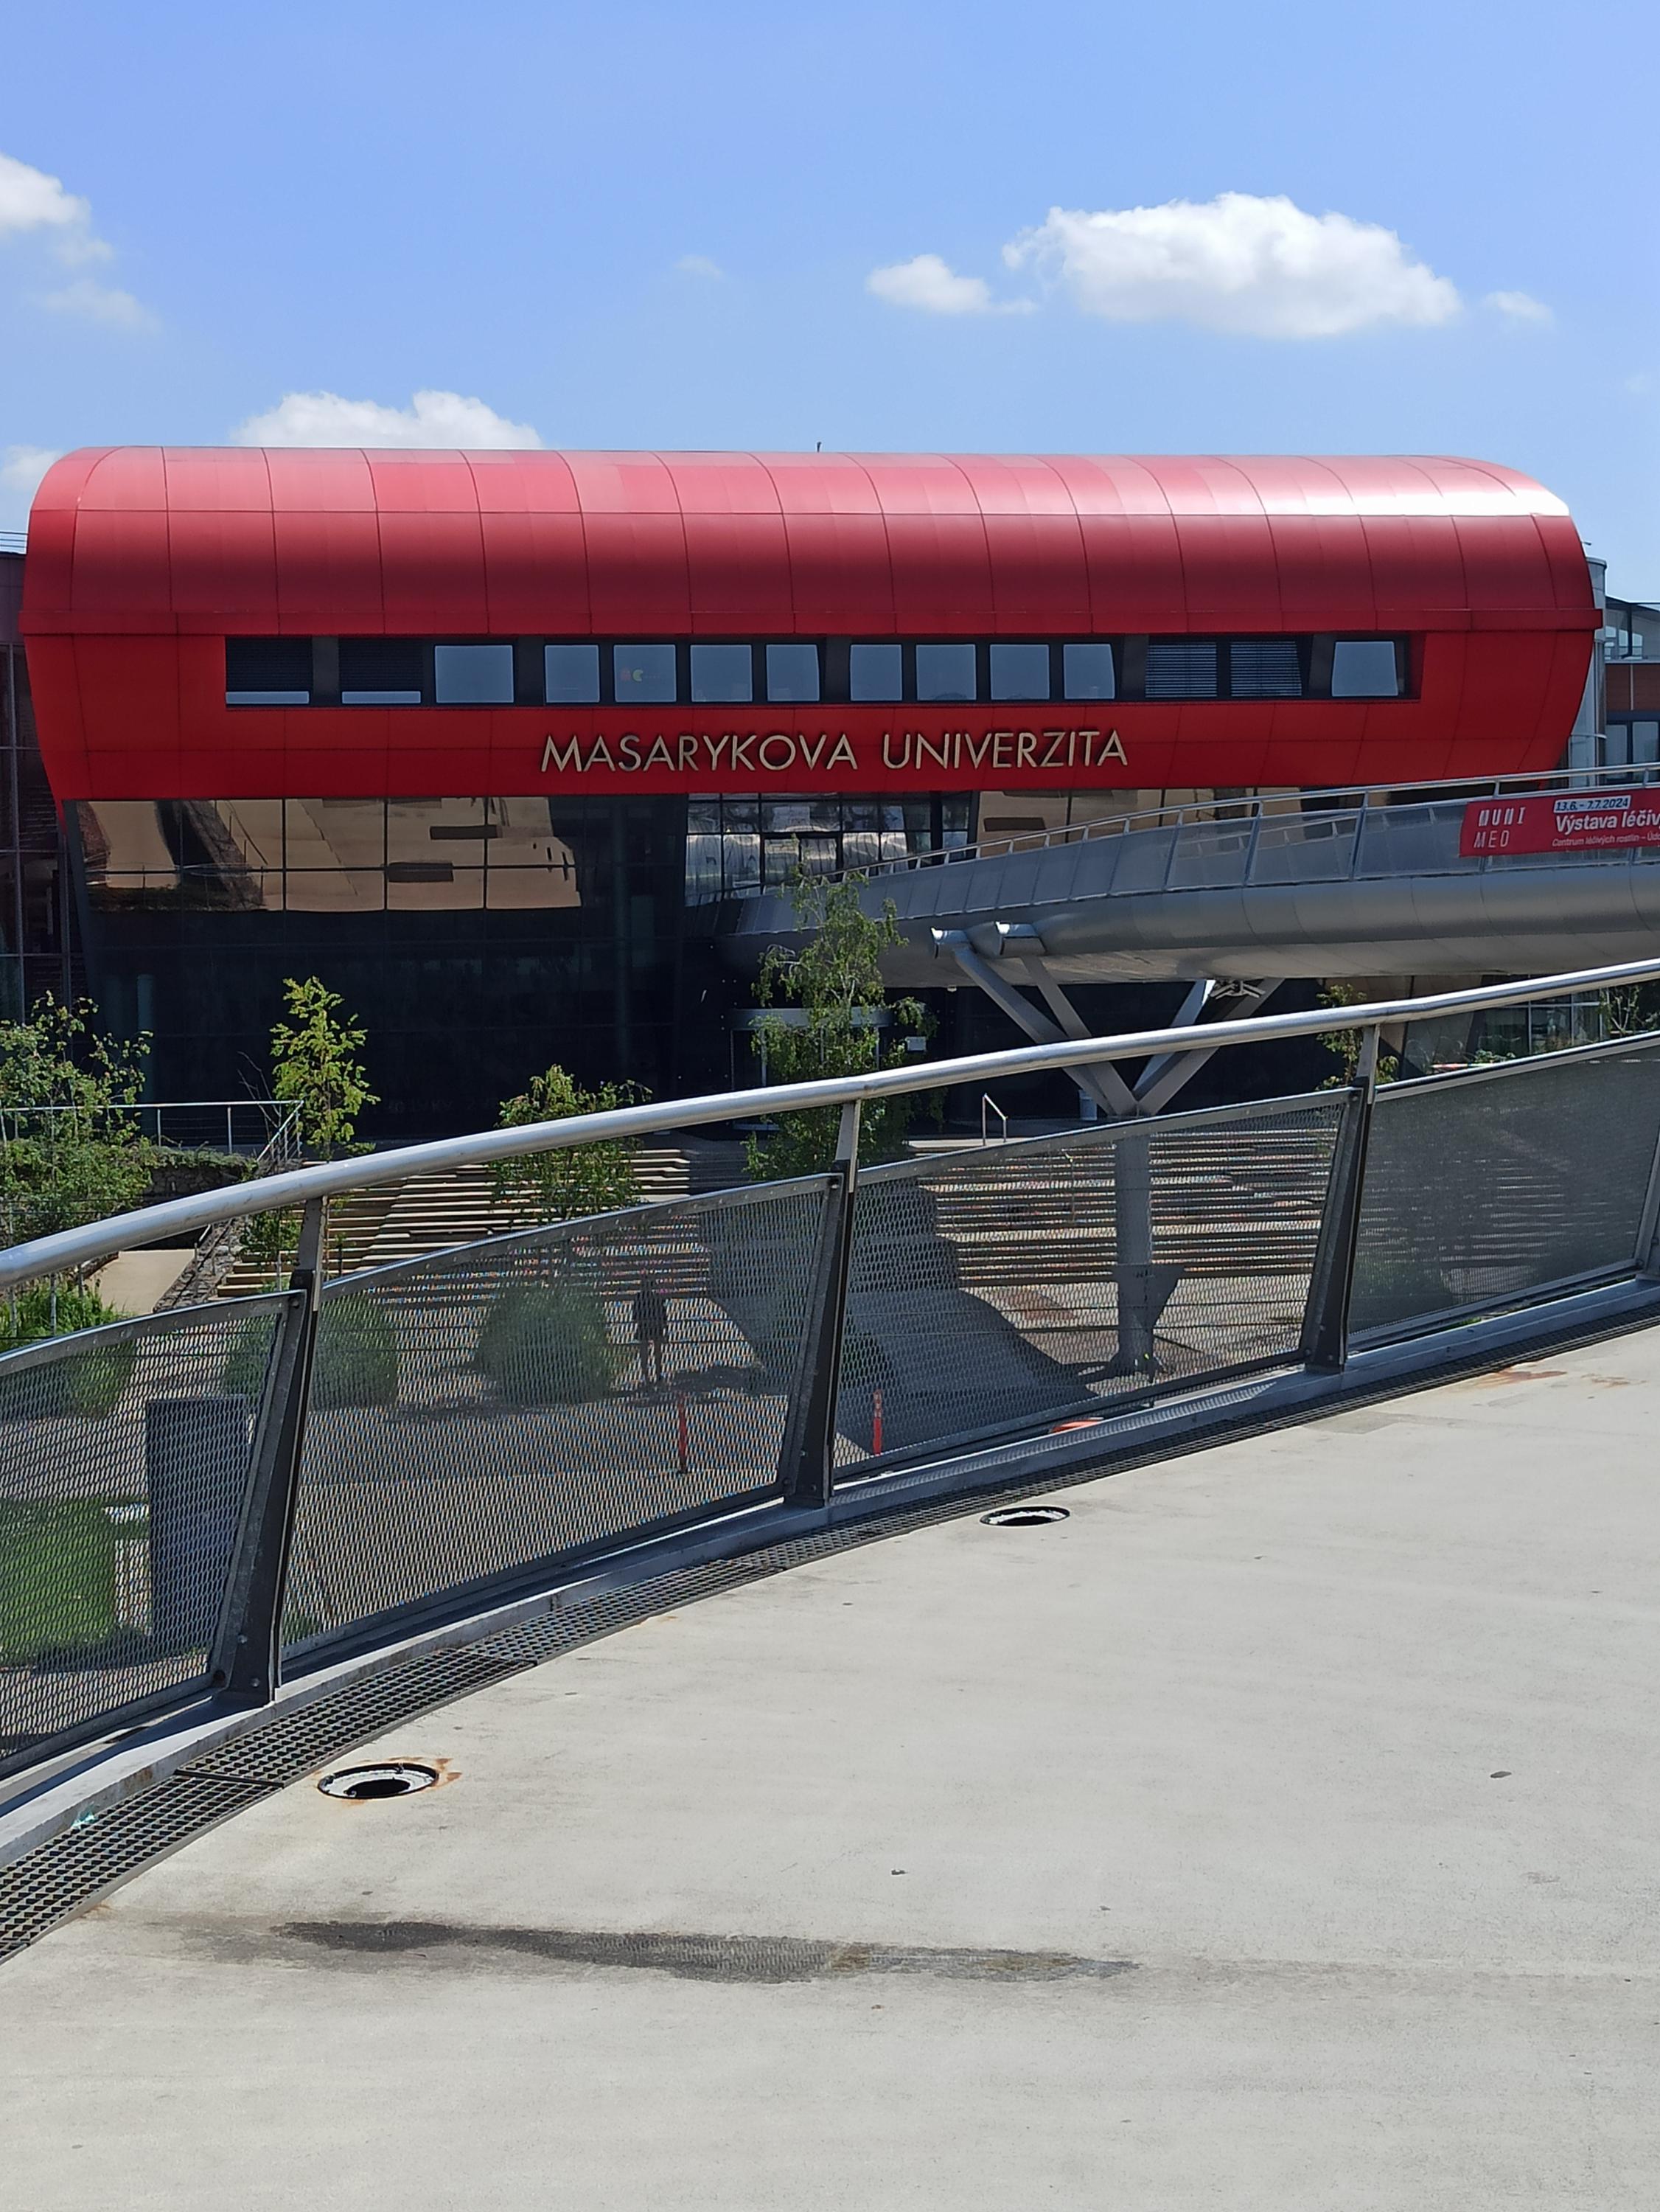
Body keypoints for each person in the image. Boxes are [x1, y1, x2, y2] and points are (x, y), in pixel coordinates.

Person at [632, 1271, 669, 1388]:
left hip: (645, 1325)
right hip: (654, 1325)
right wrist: (665, 1329)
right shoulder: (657, 1297)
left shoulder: (639, 1297)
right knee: (656, 1351)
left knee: (646, 1351)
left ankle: (648, 1376)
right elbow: (663, 1316)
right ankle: (656, 1374)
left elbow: (635, 1316)